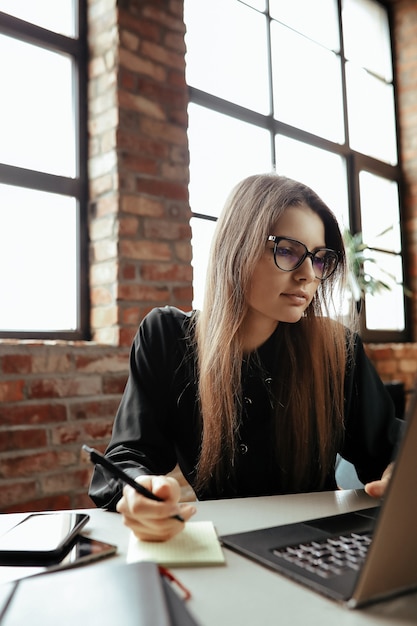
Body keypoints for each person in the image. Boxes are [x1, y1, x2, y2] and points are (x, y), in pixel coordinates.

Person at [88, 173, 400, 542]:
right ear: (238, 246)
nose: (307, 275)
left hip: (319, 546)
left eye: (319, 259)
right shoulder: (167, 338)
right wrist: (138, 490)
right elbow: (128, 455)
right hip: (222, 547)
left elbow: (390, 449)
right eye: (287, 250)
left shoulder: (338, 351)